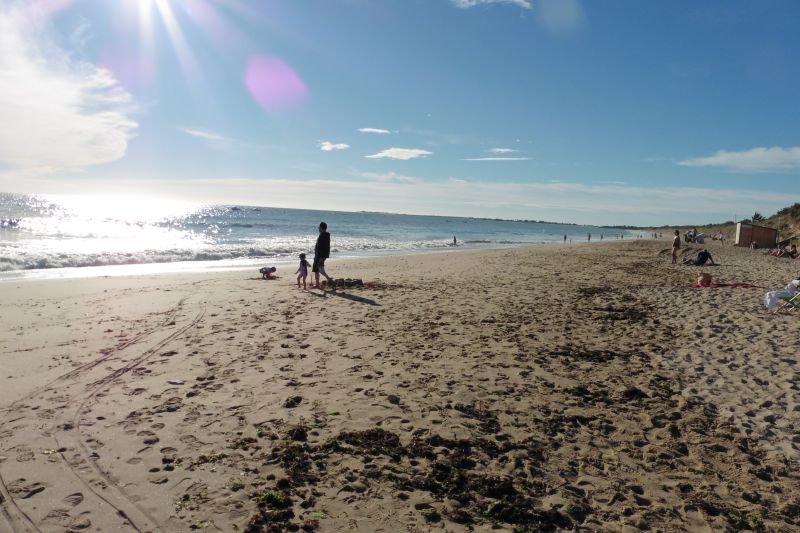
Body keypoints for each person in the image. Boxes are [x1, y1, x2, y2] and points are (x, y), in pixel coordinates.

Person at [312, 221, 334, 289]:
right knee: (316, 270)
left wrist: (322, 257)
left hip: (320, 256)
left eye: (319, 227)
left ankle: (329, 279)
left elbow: (325, 248)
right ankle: (317, 284)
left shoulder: (324, 236)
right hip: (318, 256)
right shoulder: (323, 235)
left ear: (321, 228)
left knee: (320, 270)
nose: (318, 228)